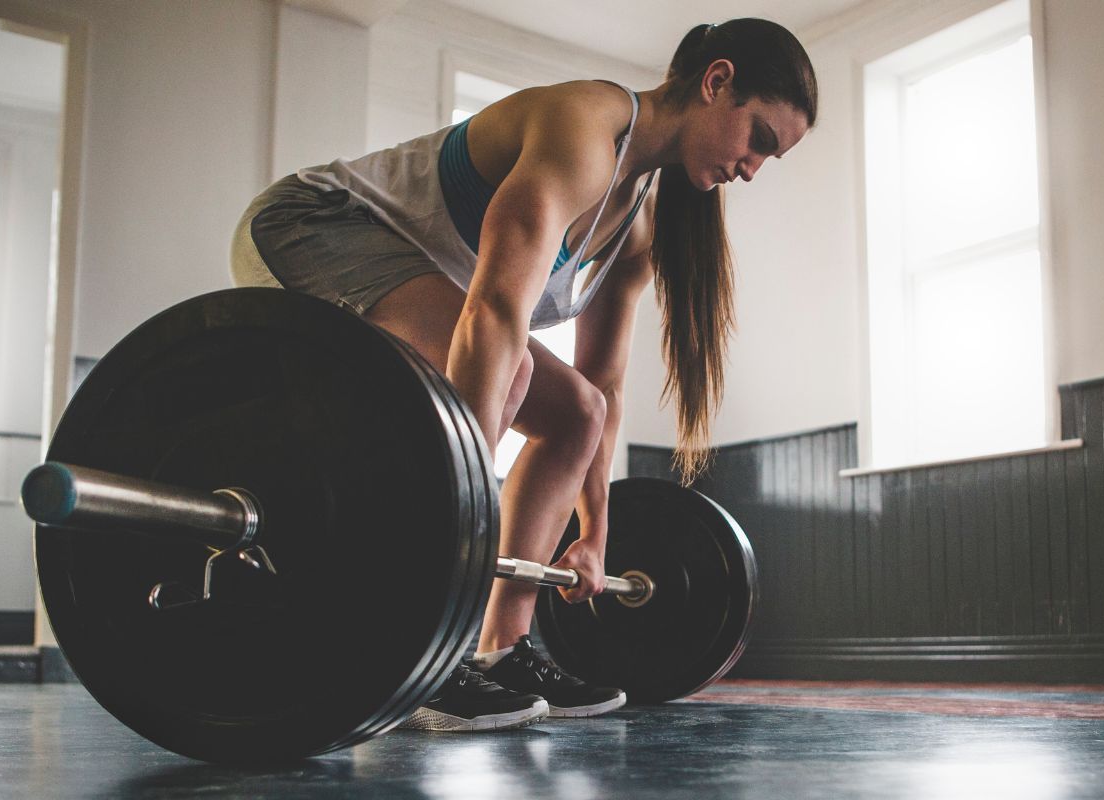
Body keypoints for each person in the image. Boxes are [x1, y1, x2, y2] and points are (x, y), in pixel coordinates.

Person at [231, 18, 817, 732]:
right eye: (759, 138)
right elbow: (494, 315)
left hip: (415, 283)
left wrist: (596, 530)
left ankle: (502, 649)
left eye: (770, 158)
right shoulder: (584, 128)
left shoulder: (635, 225)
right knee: (499, 381)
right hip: (310, 226)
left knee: (576, 412)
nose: (753, 169)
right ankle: (422, 649)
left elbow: (600, 386)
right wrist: (465, 508)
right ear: (716, 81)